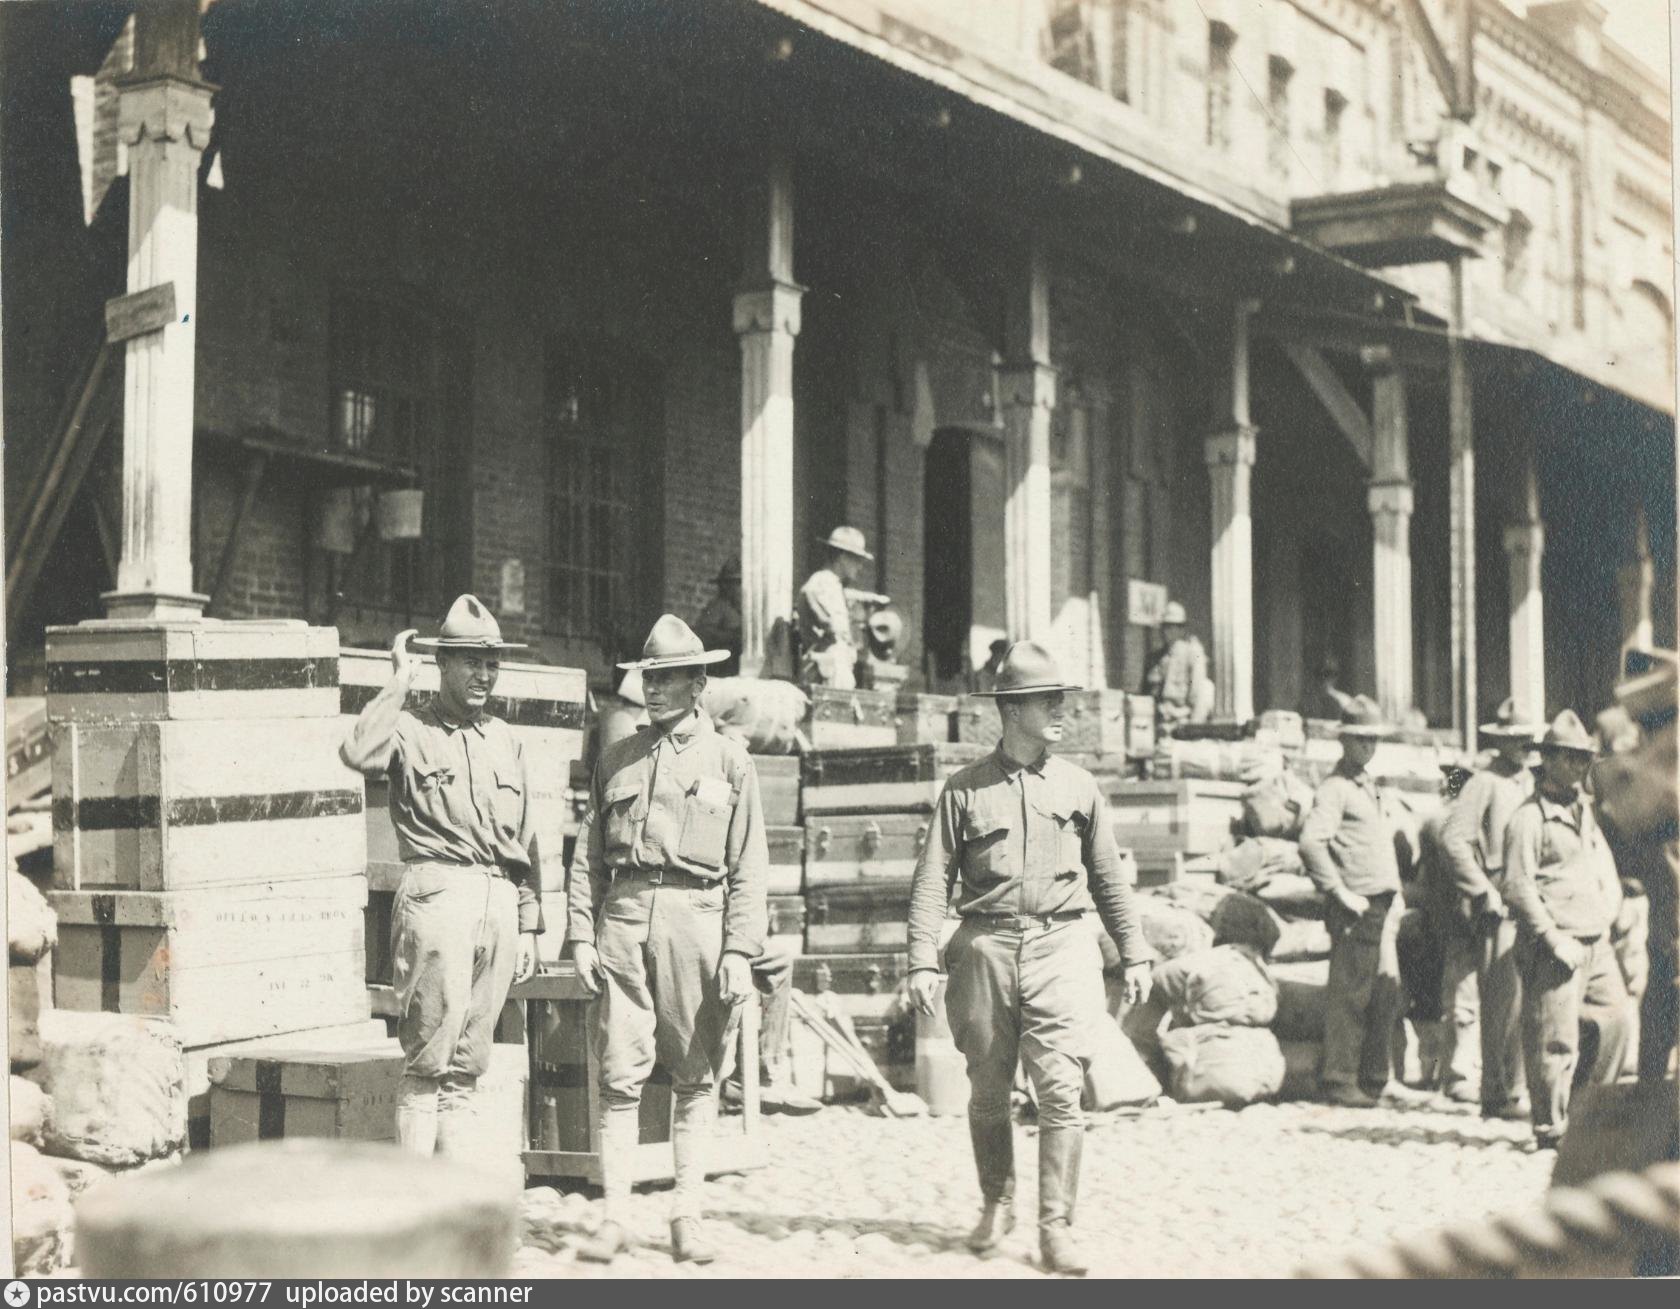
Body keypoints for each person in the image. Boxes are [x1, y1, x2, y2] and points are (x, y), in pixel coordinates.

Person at [906, 641, 1153, 1276]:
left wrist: (1136, 954)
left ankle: (1056, 1228)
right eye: (1049, 700)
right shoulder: (963, 791)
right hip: (985, 949)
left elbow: (1109, 880)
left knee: (1062, 1090)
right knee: (988, 1091)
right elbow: (932, 881)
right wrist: (919, 961)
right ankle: (998, 1201)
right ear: (1013, 709)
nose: (1061, 710)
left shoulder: (1079, 786)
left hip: (1062, 946)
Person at [567, 614, 768, 1264]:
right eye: (648, 677)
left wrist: (739, 950)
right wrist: (579, 933)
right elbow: (587, 855)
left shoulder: (729, 760)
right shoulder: (618, 756)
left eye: (668, 678)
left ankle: (687, 1214)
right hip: (623, 921)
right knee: (620, 1070)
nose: (652, 689)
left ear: (697, 682)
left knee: (696, 1073)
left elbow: (749, 866)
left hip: (697, 921)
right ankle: (616, 1215)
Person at [339, 595, 541, 1156]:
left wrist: (528, 923)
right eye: (472, 661)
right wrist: (399, 681)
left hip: (496, 904)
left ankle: (448, 1205)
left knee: (467, 1069)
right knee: (428, 1062)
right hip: (438, 896)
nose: (484, 674)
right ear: (442, 664)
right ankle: (412, 1211)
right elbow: (359, 751)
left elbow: (526, 840)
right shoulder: (410, 730)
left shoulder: (505, 739)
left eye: (492, 662)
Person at [1504, 709, 1631, 1149]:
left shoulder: (1585, 811)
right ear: (1549, 760)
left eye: (1584, 760)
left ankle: (1590, 1114)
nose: (1579, 768)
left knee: (1617, 1021)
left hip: (1596, 941)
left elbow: (1603, 863)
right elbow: (1518, 886)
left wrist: (1610, 908)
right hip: (1554, 944)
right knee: (1555, 1041)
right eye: (1571, 759)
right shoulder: (1528, 818)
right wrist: (1554, 939)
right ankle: (1552, 1128)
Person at [1298, 695, 1407, 1108]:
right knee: (1350, 995)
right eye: (1360, 740)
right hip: (1355, 909)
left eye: (1373, 740)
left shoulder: (1369, 786)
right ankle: (1339, 1078)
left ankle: (1376, 1078)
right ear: (1343, 741)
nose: (1368, 747)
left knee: (1385, 994)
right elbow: (1311, 843)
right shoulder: (1336, 789)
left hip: (1381, 909)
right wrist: (1339, 892)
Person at [1435, 700, 1540, 1118]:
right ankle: (1496, 1092)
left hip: (1533, 896)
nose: (1524, 746)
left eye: (1528, 739)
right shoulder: (1482, 783)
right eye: (1515, 740)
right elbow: (1452, 839)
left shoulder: (1533, 780)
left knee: (1530, 998)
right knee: (1501, 1000)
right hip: (1499, 900)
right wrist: (1482, 889)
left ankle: (1520, 1087)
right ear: (1499, 741)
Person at [796, 526, 874, 688]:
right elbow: (835, 628)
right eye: (856, 560)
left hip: (836, 667)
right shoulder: (822, 583)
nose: (859, 567)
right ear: (842, 556)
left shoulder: (832, 584)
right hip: (827, 669)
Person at [1144, 601, 1208, 730]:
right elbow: (1147, 692)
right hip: (1159, 720)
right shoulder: (1155, 658)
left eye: (1172, 626)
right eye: (1164, 626)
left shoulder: (1193, 653)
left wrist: (1193, 723)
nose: (1166, 631)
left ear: (1181, 629)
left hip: (1183, 720)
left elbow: (1197, 691)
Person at [692, 557, 743, 678]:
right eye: (737, 584)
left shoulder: (740, 610)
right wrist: (733, 636)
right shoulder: (717, 607)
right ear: (726, 586)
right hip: (721, 671)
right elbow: (703, 635)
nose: (740, 589)